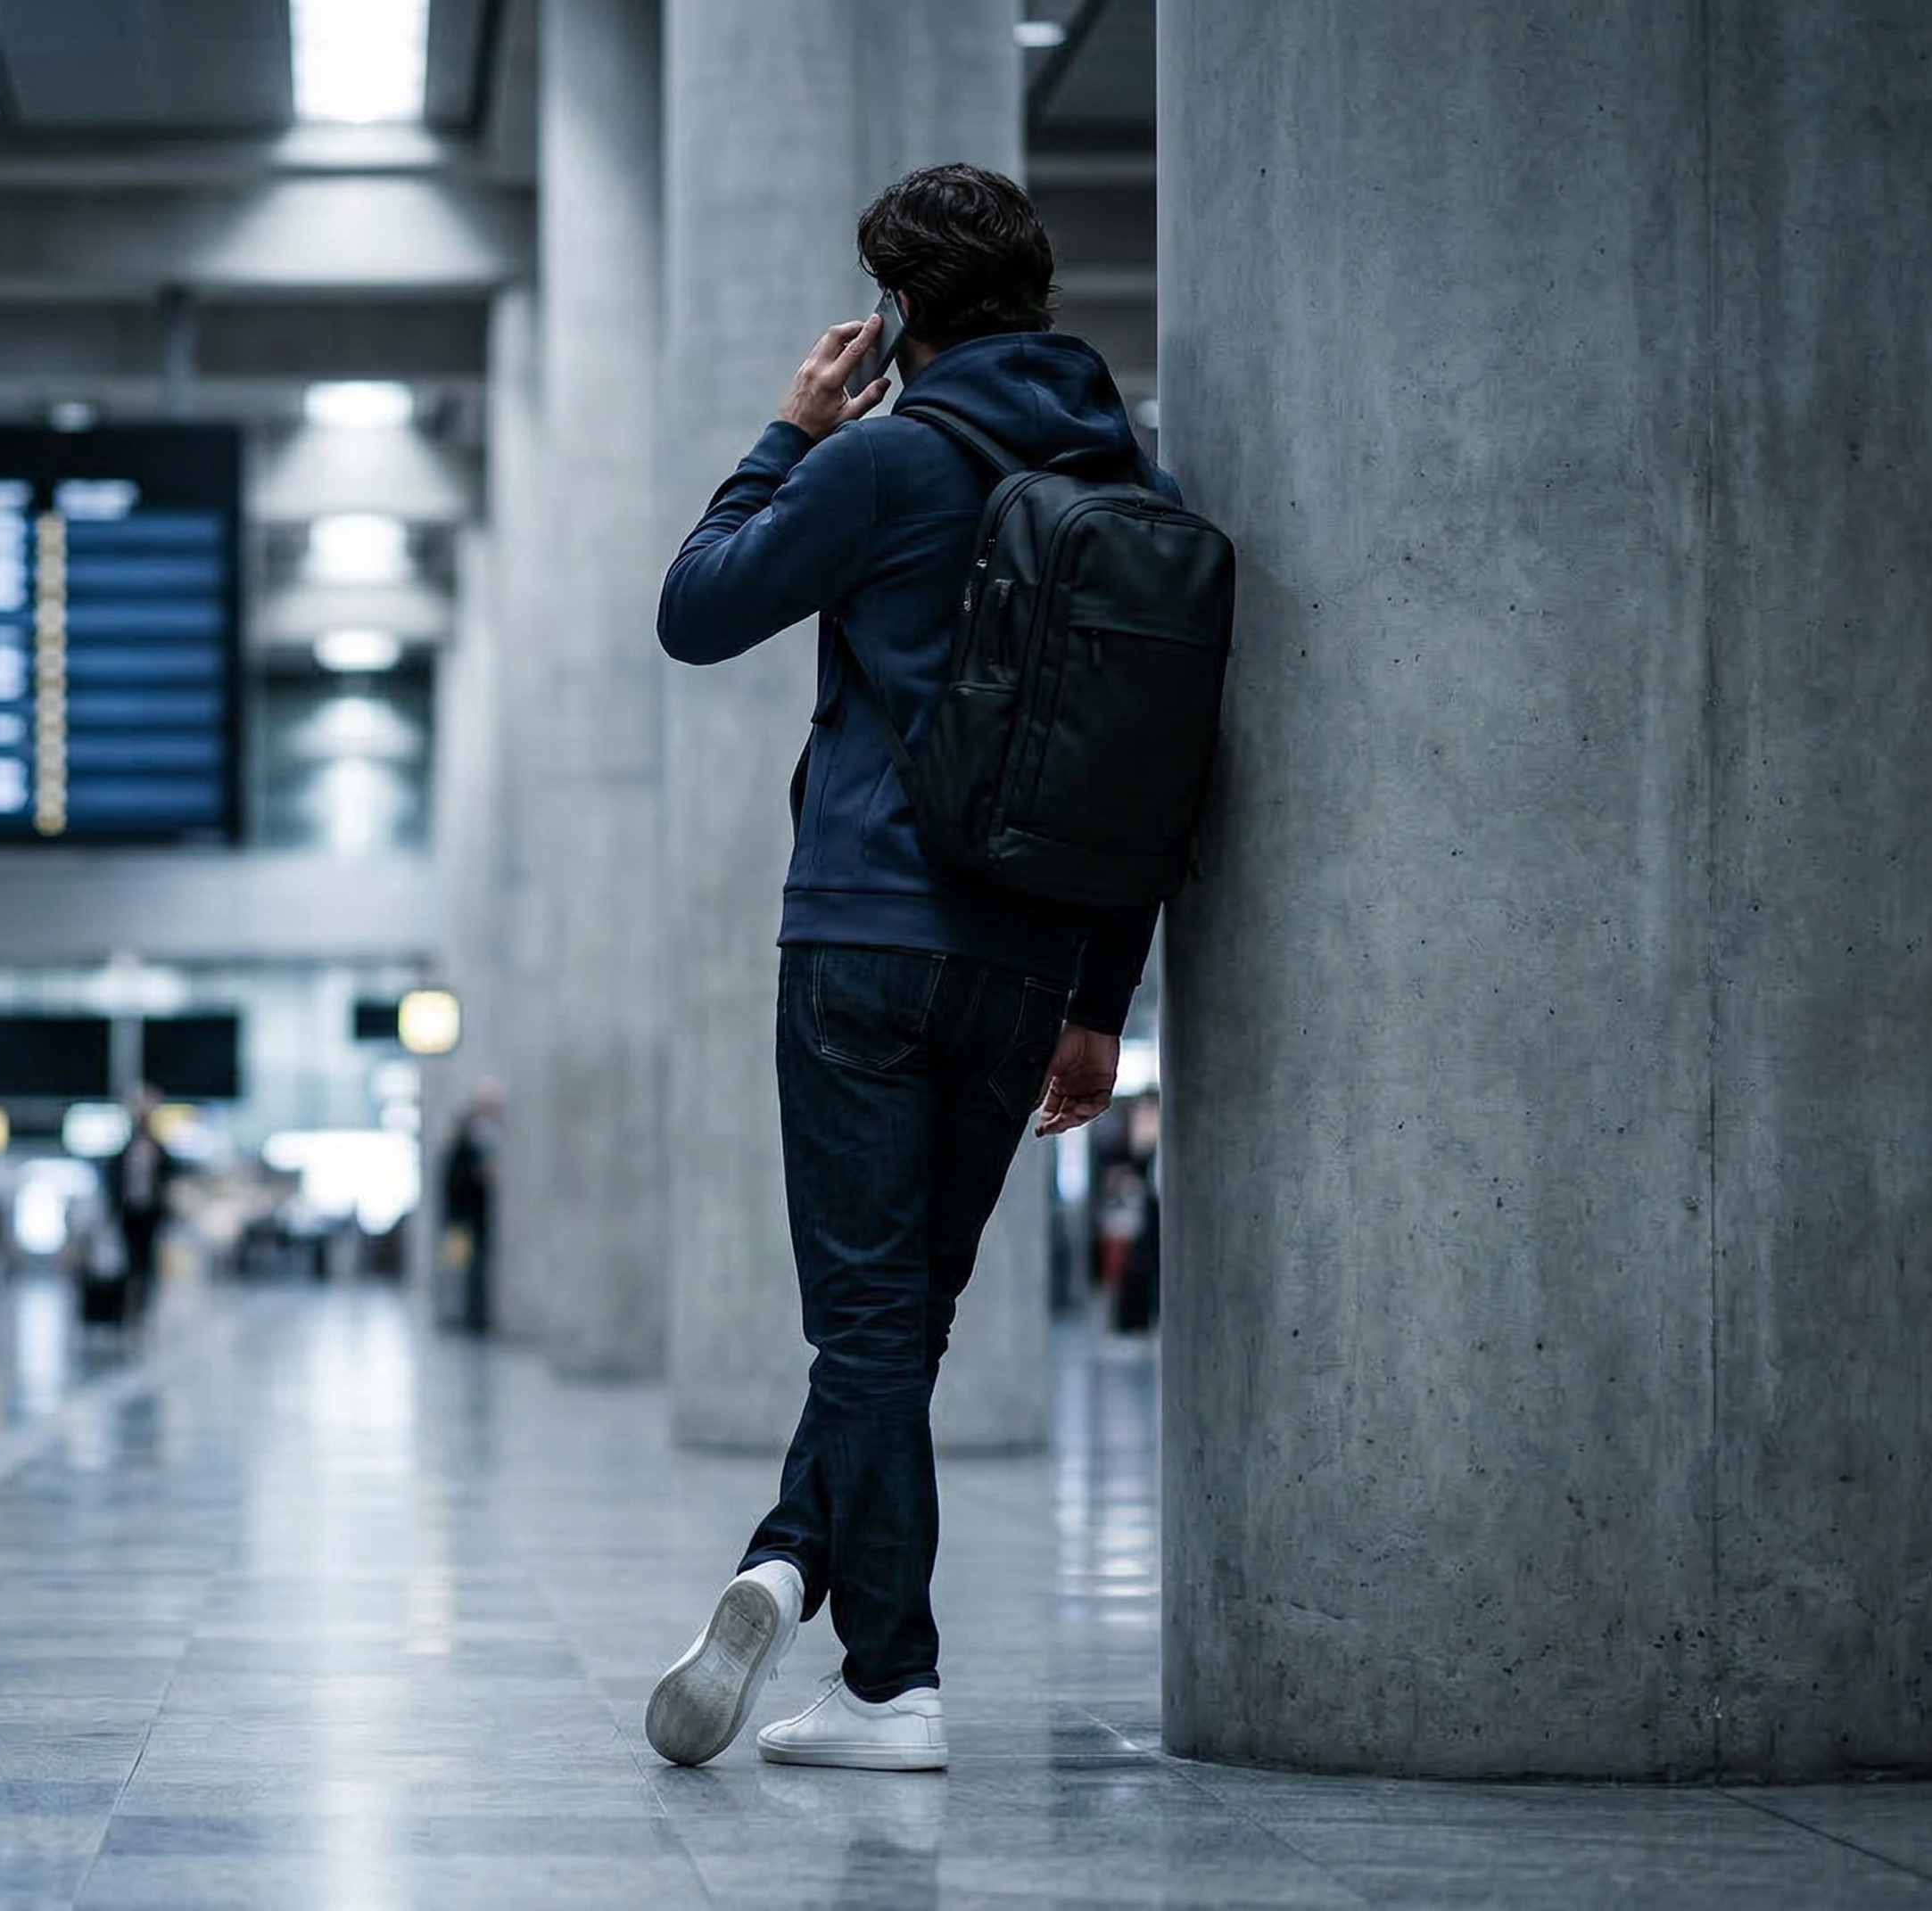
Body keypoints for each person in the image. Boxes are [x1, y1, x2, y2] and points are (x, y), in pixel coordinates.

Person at [640, 163, 1160, 1774]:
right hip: (1027, 961)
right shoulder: (1126, 479)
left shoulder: (886, 460)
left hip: (868, 932)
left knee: (864, 1321)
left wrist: (789, 431)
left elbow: (695, 607)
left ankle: (891, 1682)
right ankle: (793, 1552)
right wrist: (1100, 999)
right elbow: (1152, 762)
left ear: (894, 316)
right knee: (904, 1315)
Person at [101, 1084, 178, 1319]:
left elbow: (169, 1181)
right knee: (130, 1262)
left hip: (151, 1214)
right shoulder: (125, 1150)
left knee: (147, 1262)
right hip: (129, 1213)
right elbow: (114, 1180)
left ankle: (143, 1307)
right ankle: (128, 1307)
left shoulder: (159, 1151)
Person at [439, 1082, 502, 1333]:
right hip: (460, 1221)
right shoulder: (463, 1146)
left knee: (474, 1271)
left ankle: (473, 1317)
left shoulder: (481, 1142)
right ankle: (457, 1317)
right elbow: (454, 1182)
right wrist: (479, 1175)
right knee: (458, 1270)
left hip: (474, 1220)